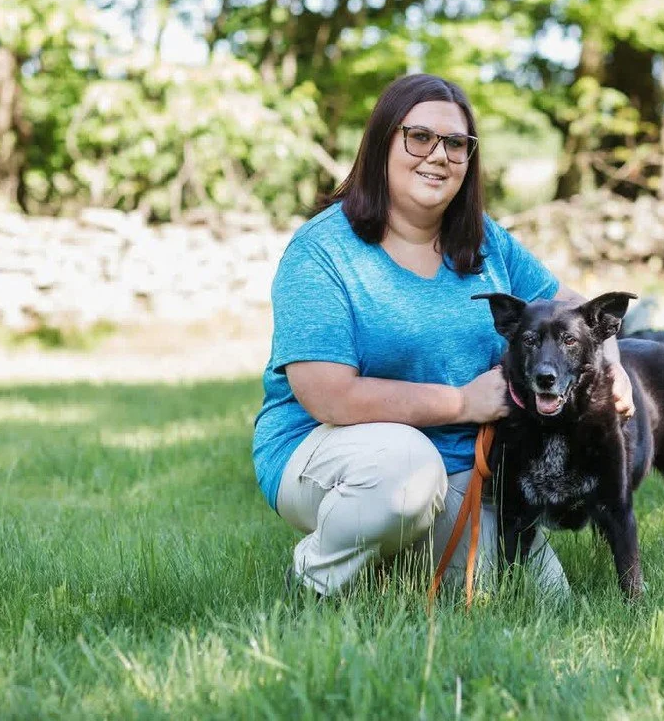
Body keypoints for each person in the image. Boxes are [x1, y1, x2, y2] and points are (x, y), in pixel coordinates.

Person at [253, 73, 634, 598]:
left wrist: (615, 367)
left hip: (463, 467)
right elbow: (327, 395)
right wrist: (460, 402)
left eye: (456, 144)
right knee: (405, 473)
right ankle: (311, 585)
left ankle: (387, 559)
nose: (439, 155)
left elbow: (572, 305)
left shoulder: (483, 239)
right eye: (420, 137)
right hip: (333, 452)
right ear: (382, 141)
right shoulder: (322, 252)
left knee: (538, 601)